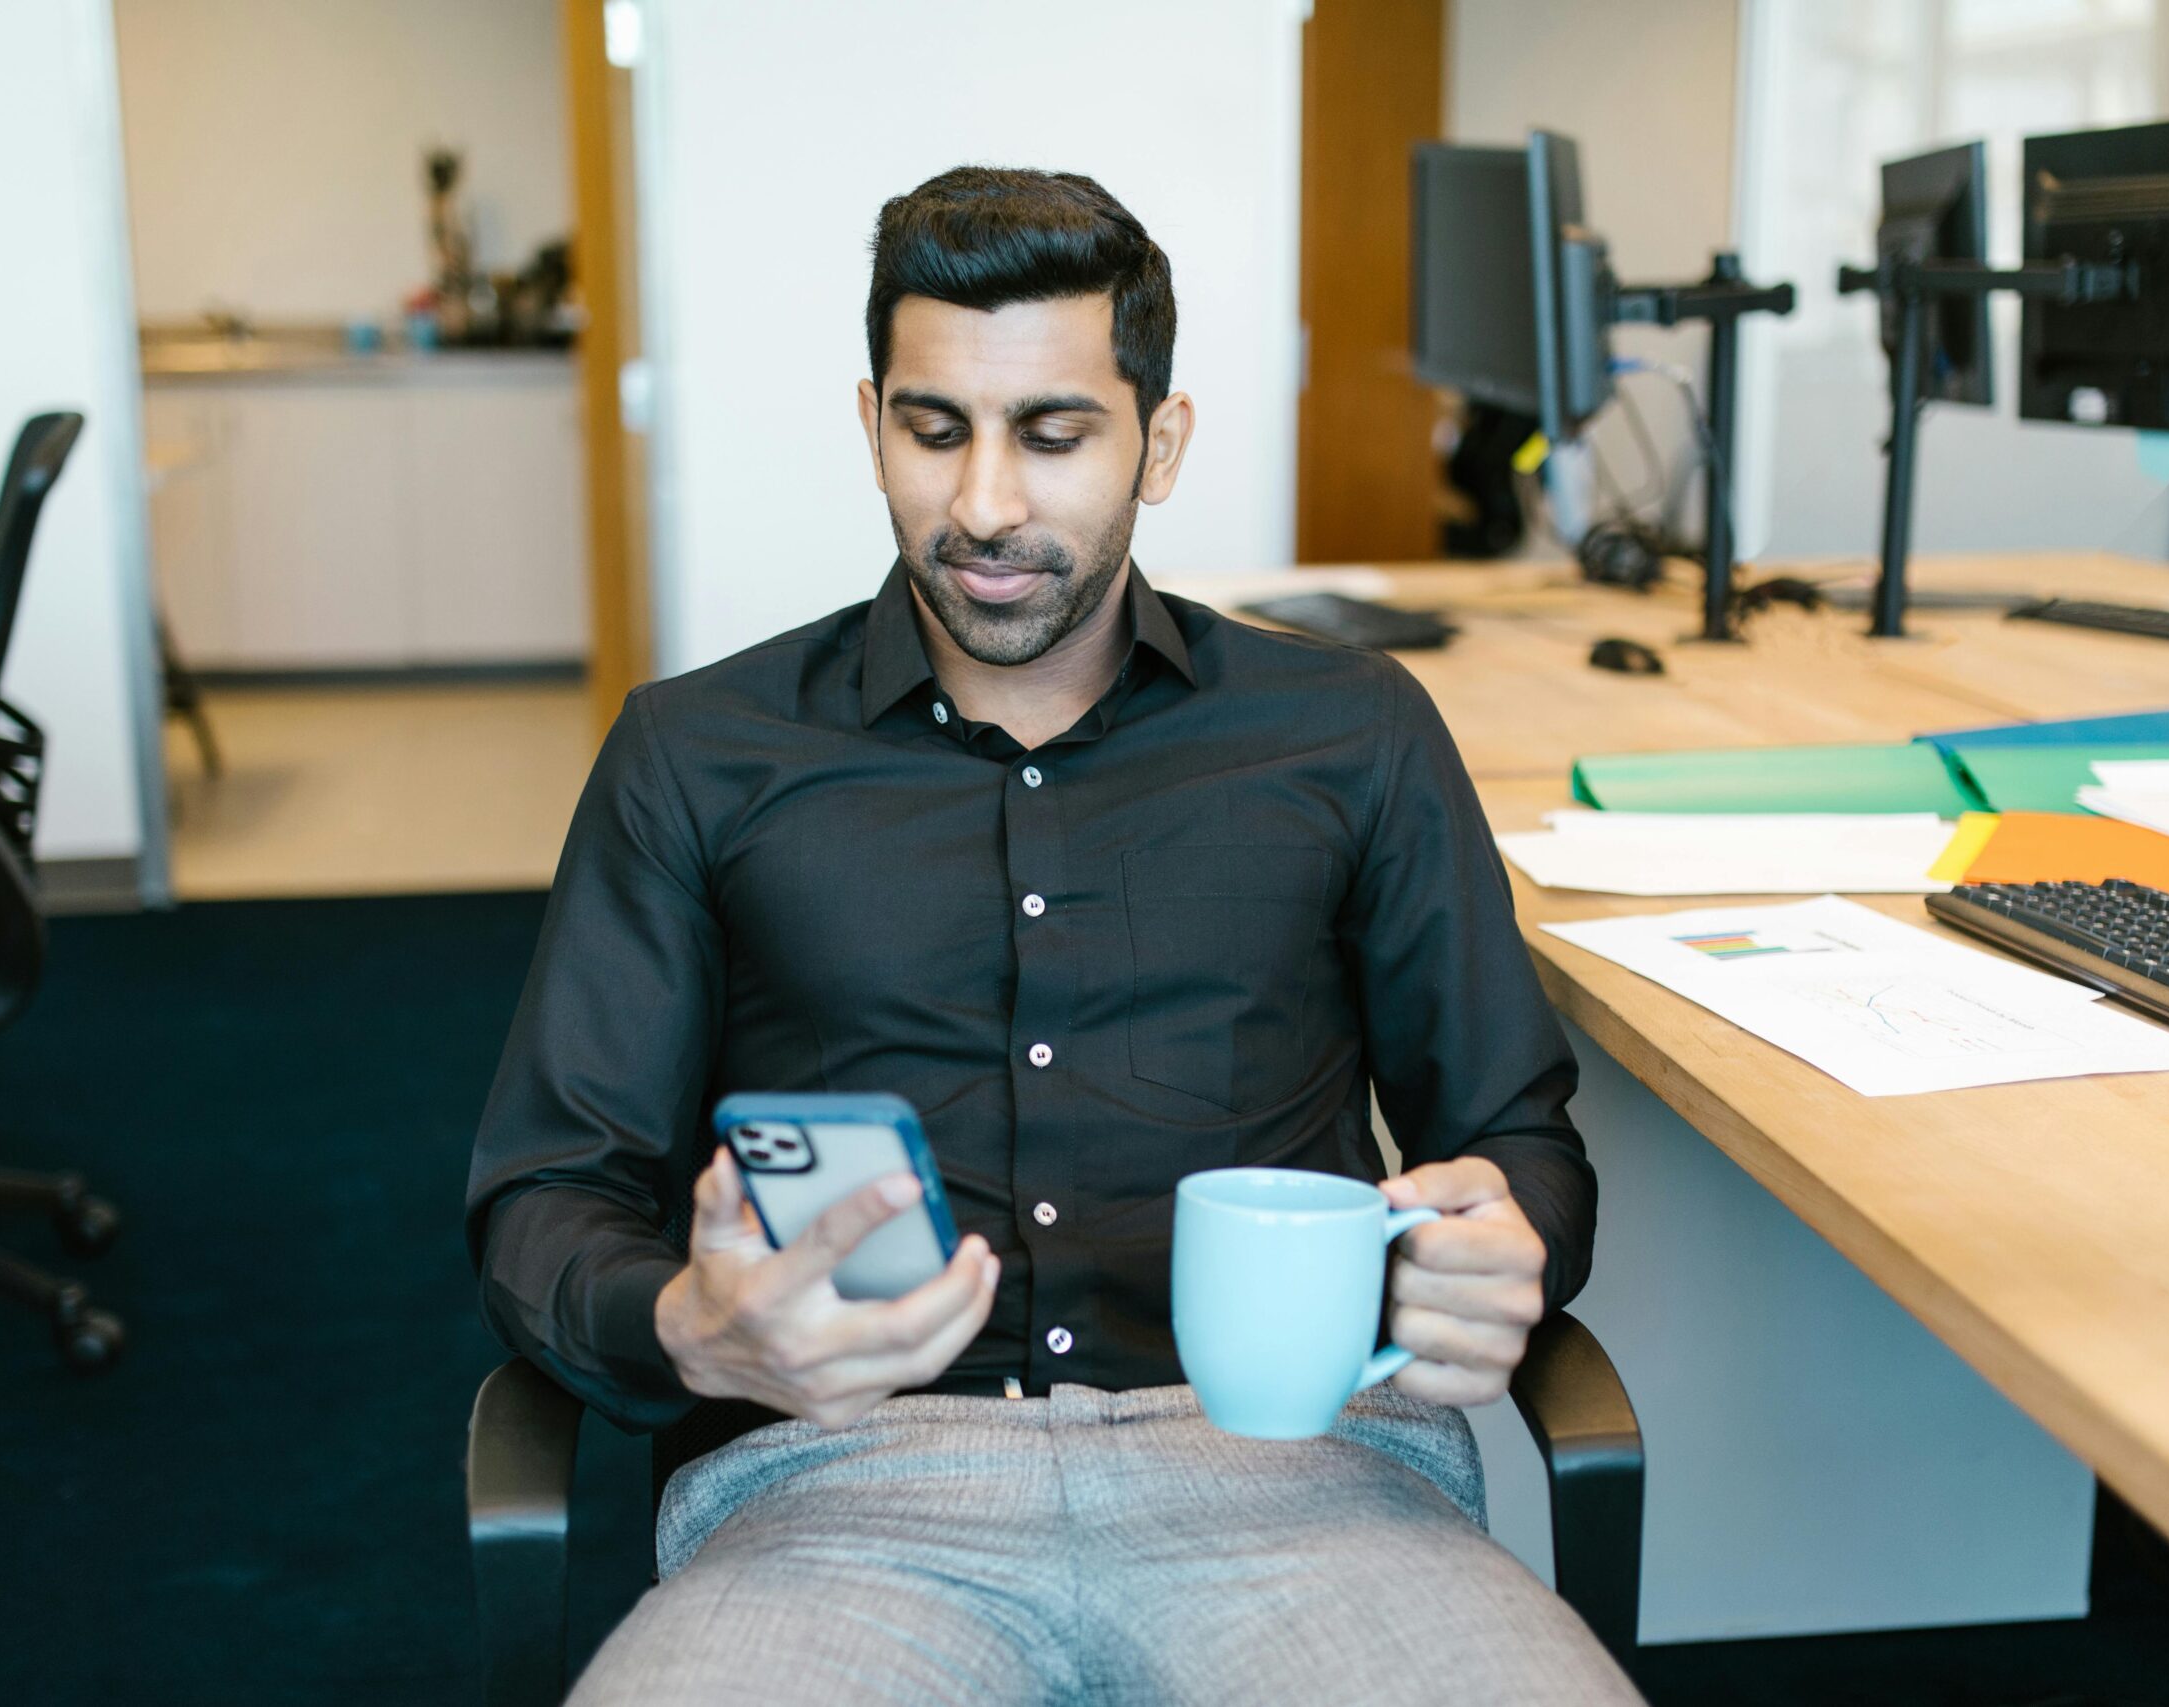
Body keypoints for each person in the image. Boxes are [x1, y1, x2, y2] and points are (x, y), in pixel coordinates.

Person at [468, 165, 1640, 1705]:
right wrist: (689, 1326)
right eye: (934, 429)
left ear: (1160, 444)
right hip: (838, 1495)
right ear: (871, 419)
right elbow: (549, 1192)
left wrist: (1512, 1252)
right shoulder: (699, 752)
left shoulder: (1349, 733)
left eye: (1054, 434)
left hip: (1304, 1479)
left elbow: (1511, 1134)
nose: (985, 508)